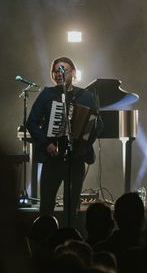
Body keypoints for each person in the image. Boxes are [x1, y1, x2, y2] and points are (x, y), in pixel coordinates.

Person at [26, 56, 102, 231]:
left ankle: (70, 239)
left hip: (75, 159)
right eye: (55, 71)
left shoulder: (85, 96)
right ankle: (46, 240)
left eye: (63, 70)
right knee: (46, 206)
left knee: (71, 207)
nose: (59, 74)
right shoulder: (47, 94)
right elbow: (32, 122)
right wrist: (46, 143)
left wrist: (84, 143)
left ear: (73, 73)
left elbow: (99, 124)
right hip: (52, 158)